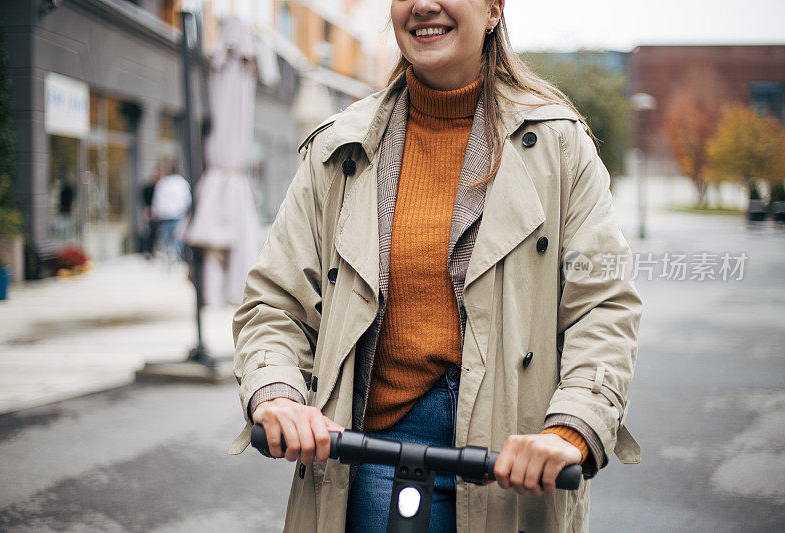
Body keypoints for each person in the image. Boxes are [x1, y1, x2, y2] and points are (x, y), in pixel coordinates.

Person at [230, 1, 642, 531]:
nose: (425, 4)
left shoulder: (562, 147)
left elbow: (603, 305)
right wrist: (277, 392)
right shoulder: (339, 148)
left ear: (494, 10)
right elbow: (274, 301)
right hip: (374, 455)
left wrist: (572, 427)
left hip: (514, 463)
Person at [151, 167, 191, 261]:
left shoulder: (162, 183)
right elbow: (187, 199)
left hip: (164, 216)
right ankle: (179, 260)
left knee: (165, 241)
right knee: (178, 241)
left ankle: (167, 260)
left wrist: (157, 212)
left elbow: (157, 200)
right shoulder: (182, 182)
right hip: (178, 214)